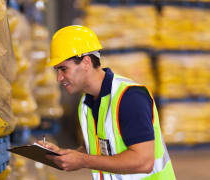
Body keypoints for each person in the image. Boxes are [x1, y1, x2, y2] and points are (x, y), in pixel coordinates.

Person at [38, 25, 176, 180]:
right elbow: (100, 149)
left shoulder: (129, 97)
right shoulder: (86, 103)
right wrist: (65, 155)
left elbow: (144, 162)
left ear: (86, 62)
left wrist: (83, 161)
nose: (59, 78)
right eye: (57, 70)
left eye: (63, 69)